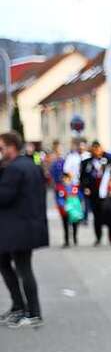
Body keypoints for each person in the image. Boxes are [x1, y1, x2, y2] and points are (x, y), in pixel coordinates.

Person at [0, 132, 49, 328]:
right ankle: (19, 307)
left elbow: (4, 197)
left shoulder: (15, 168)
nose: (1, 151)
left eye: (2, 147)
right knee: (6, 264)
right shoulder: (29, 165)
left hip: (18, 228)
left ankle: (33, 312)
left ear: (12, 146)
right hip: (24, 225)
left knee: (23, 268)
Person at [80, 140, 111, 245]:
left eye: (98, 148)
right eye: (94, 148)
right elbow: (82, 178)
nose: (96, 151)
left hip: (107, 194)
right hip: (94, 194)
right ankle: (98, 237)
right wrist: (85, 187)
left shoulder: (108, 160)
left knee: (109, 217)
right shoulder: (86, 163)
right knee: (97, 217)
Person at [55, 171, 85, 247]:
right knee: (65, 225)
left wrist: (76, 201)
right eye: (64, 178)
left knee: (75, 224)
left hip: (74, 210)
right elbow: (59, 198)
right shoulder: (60, 188)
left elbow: (80, 196)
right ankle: (66, 240)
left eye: (67, 178)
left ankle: (74, 237)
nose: (65, 180)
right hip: (65, 209)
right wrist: (63, 205)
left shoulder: (74, 187)